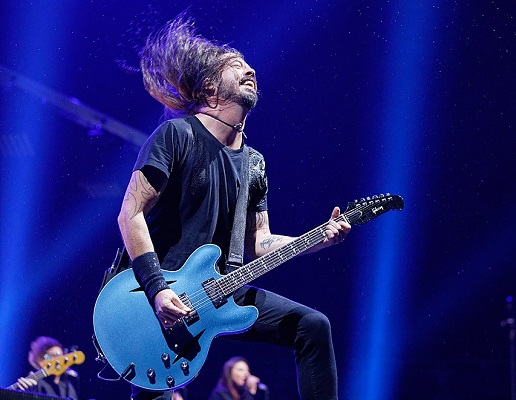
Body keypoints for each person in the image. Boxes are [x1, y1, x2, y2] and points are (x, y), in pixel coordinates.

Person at [117, 13, 350, 400]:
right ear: (210, 89)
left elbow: (259, 241)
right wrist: (158, 290)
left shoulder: (254, 162)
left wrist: (316, 240)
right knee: (159, 391)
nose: (251, 70)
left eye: (249, 65)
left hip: (223, 288)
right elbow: (131, 213)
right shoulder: (177, 134)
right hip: (164, 292)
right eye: (236, 67)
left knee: (313, 325)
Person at [11, 336, 80, 399]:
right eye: (49, 357)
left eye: (60, 356)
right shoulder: (34, 384)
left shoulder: (70, 382)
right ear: (39, 360)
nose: (58, 360)